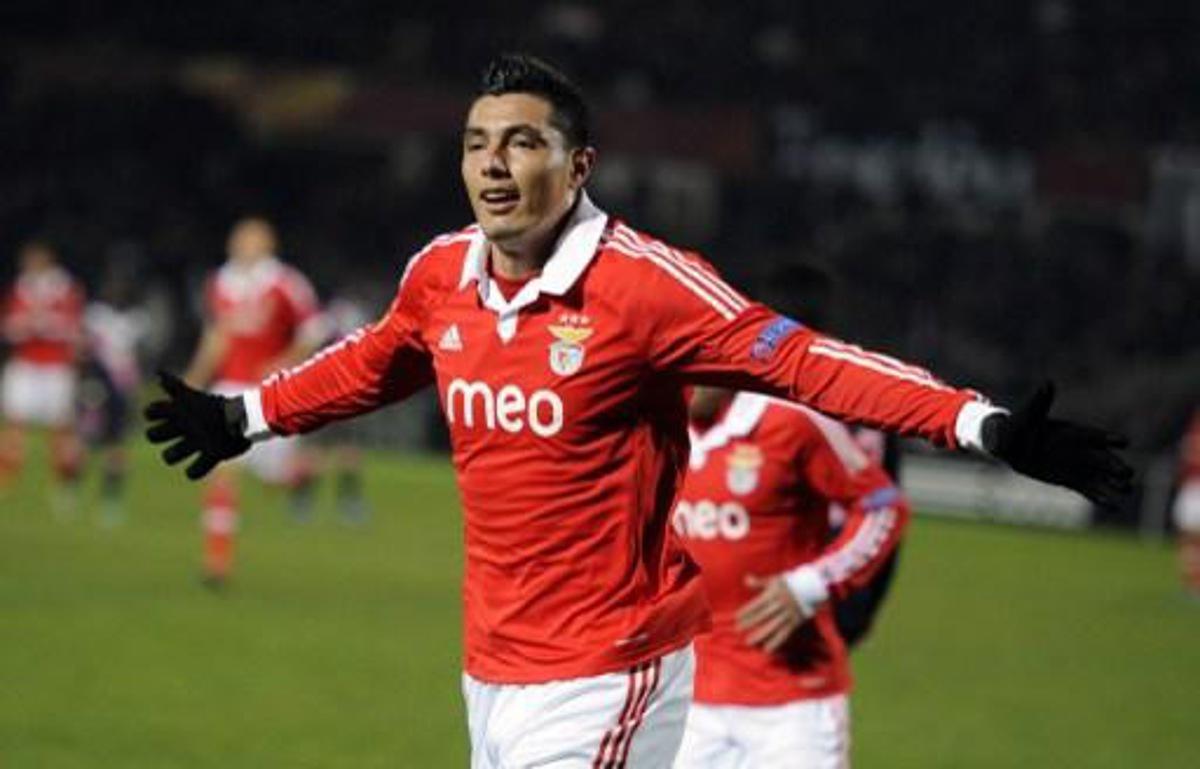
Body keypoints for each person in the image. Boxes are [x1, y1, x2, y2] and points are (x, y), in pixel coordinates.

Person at [145, 54, 1131, 765]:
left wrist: (979, 423)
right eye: (477, 144)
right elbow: (376, 359)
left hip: (610, 669)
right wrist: (243, 417)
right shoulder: (442, 275)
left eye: (522, 142)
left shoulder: (646, 285)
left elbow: (804, 362)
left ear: (578, 166)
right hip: (491, 665)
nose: (493, 164)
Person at [672, 387, 909, 767]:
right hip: (686, 700)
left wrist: (813, 584)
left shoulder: (792, 421)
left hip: (793, 703)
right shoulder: (650, 421)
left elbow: (882, 506)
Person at [182, 217, 326, 586]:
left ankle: (302, 473)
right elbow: (217, 336)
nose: (242, 244)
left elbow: (315, 331)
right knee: (221, 470)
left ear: (268, 244)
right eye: (239, 237)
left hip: (273, 392)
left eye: (251, 238)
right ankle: (217, 563)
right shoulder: (220, 282)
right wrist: (194, 379)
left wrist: (284, 360)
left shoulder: (286, 283)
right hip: (230, 388)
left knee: (275, 480)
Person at [0, 240, 86, 513]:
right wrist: (29, 324)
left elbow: (73, 327)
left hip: (55, 367)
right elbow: (9, 326)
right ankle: (5, 481)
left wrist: (45, 323)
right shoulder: (21, 287)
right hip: (25, 364)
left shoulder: (64, 288)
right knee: (14, 425)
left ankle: (64, 486)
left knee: (61, 429)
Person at [77, 267, 151, 526]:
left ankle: (110, 499)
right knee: (86, 440)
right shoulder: (96, 316)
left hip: (122, 388)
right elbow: (84, 350)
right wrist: (87, 379)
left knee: (117, 445)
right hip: (98, 384)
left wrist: (137, 386)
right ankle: (72, 486)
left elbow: (140, 356)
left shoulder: (137, 320)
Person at [1173, 408, 1200, 598]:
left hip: (1195, 490)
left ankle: (1194, 583)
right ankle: (1191, 582)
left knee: (1191, 538)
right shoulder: (1194, 428)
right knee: (1186, 538)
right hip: (1190, 487)